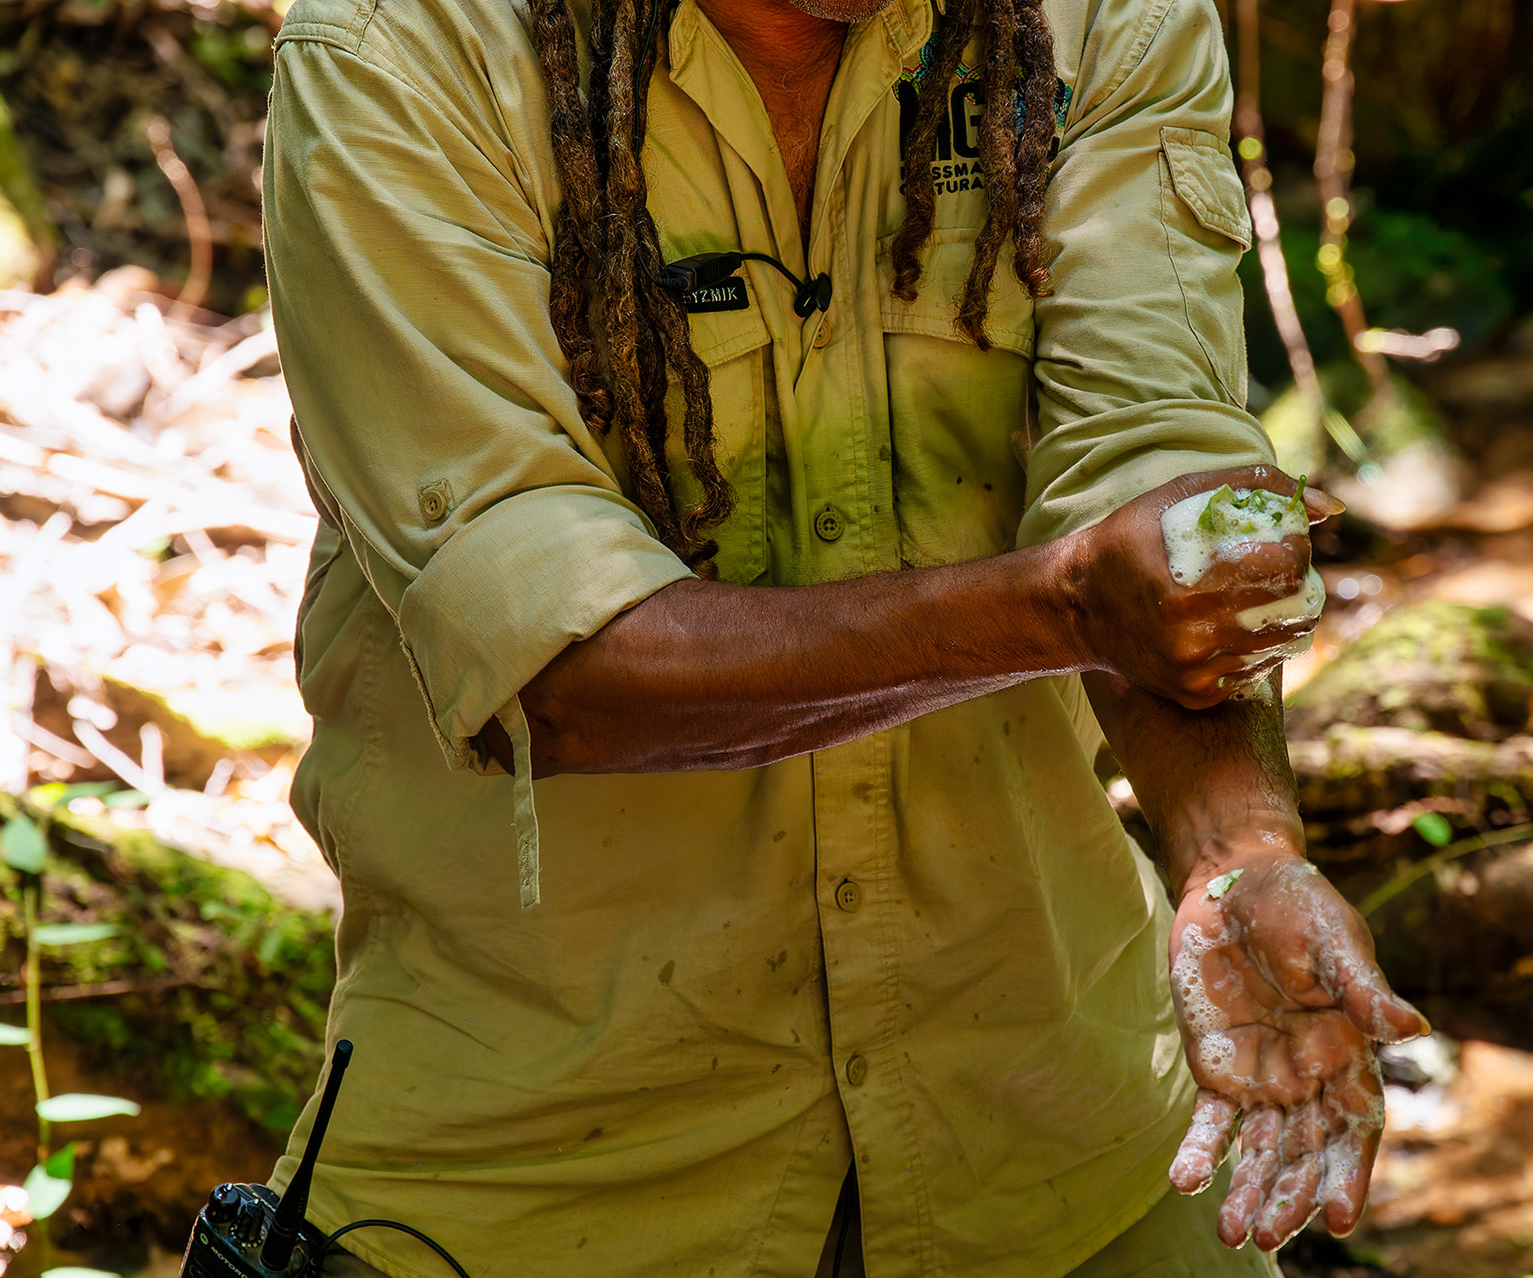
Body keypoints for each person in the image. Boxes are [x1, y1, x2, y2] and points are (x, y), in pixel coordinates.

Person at [260, 0, 1427, 1265]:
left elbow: (1149, 485)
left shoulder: (1104, 21)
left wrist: (1237, 847)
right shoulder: (406, 51)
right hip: (550, 1167)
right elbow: (559, 665)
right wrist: (1067, 602)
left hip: (1052, 1130)